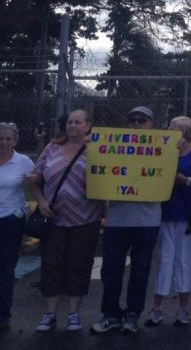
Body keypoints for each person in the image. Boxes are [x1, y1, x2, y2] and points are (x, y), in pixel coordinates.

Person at [26, 110, 103, 333]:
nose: (73, 126)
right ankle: (49, 313)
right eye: (70, 122)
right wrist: (41, 201)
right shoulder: (52, 148)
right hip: (54, 218)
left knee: (79, 264)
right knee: (51, 265)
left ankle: (73, 313)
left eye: (78, 122)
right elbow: (34, 179)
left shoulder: (98, 150)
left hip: (86, 218)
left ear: (88, 126)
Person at [90, 107, 163, 334]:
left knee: (140, 270)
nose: (137, 124)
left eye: (142, 120)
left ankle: (133, 314)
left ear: (151, 123)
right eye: (132, 120)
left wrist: (175, 150)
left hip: (147, 220)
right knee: (111, 270)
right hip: (117, 219)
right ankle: (110, 314)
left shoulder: (163, 147)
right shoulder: (114, 148)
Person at [146, 116, 191, 327]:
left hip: (190, 212)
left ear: (186, 131)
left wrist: (190, 181)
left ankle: (183, 307)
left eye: (174, 127)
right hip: (167, 209)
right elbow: (159, 173)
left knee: (183, 259)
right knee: (165, 258)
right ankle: (157, 307)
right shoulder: (165, 148)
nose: (169, 129)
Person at [0, 122, 33, 331]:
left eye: (8, 139)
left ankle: (3, 314)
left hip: (10, 220)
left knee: (5, 269)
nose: (3, 142)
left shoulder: (23, 162)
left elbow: (36, 185)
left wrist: (40, 204)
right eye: (0, 138)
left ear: (15, 141)